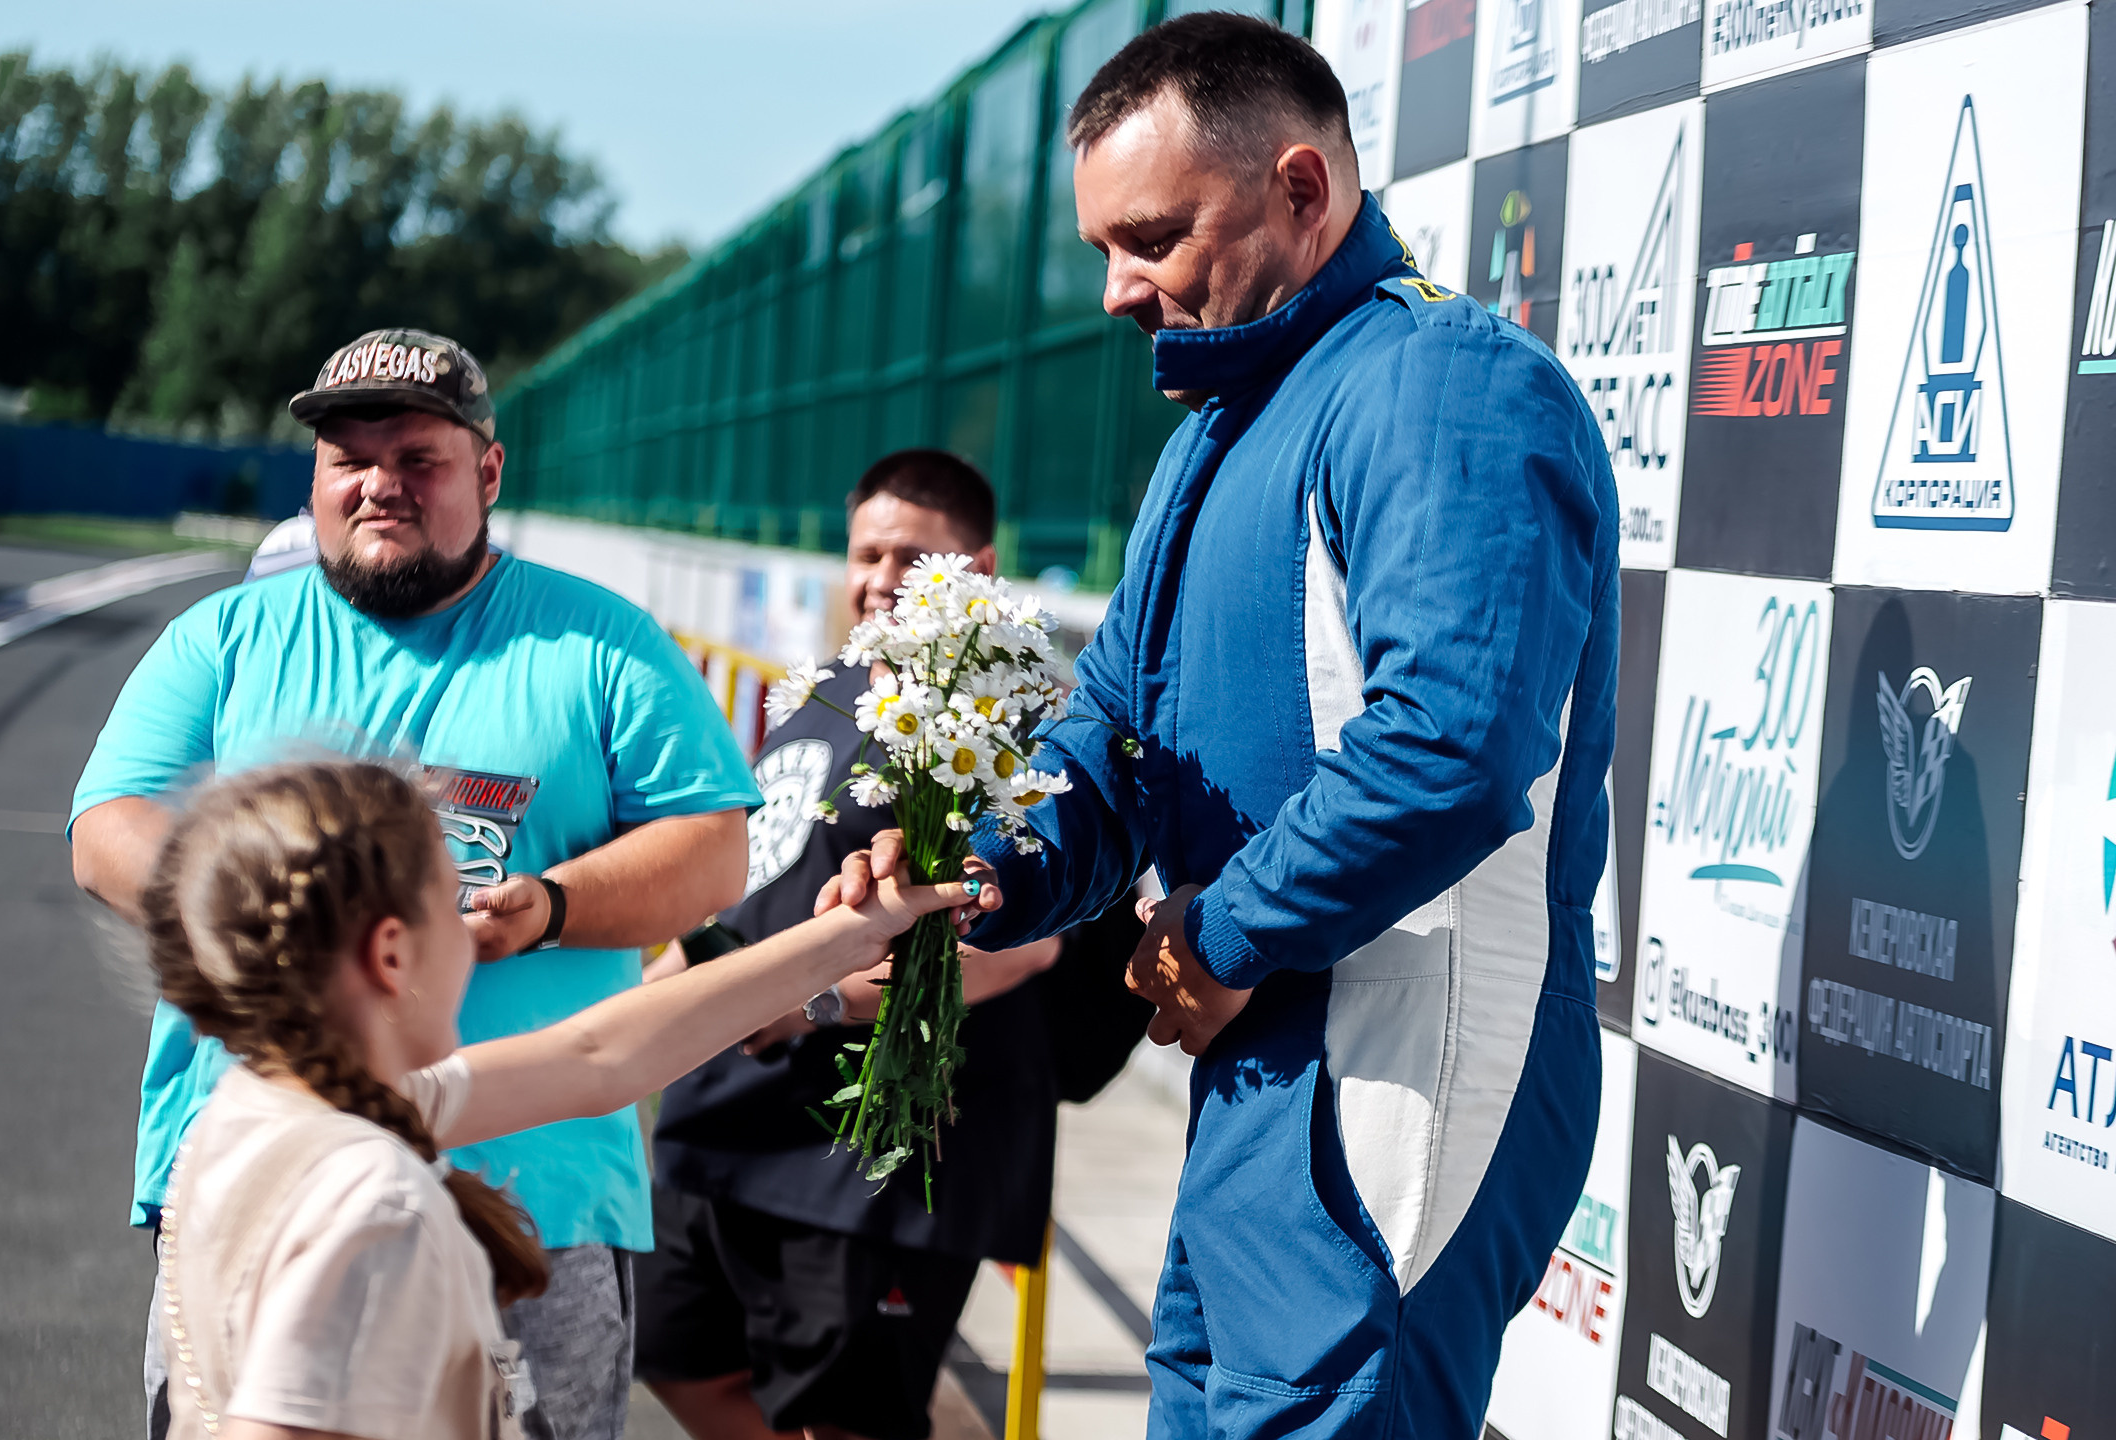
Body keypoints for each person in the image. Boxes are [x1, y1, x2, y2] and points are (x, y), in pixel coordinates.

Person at [837, 16, 1619, 1438]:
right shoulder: (1215, 428)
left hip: (1397, 1058)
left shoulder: (1444, 381)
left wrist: (1218, 932)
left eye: (1150, 238)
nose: (1116, 290)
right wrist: (976, 874)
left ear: (1303, 191)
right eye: (1101, 249)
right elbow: (1111, 736)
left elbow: (1452, 742)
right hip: (1257, 1058)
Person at [70, 327, 759, 1440]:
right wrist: (278, 914)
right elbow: (106, 828)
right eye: (350, 456)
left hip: (541, 1202)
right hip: (267, 1164)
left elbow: (712, 851)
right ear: (315, 476)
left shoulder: (604, 646)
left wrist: (556, 907)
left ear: (487, 472)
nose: (380, 484)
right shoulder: (226, 638)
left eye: (418, 459)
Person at [144, 761, 997, 1440]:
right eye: (457, 900)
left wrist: (844, 936)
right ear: (392, 954)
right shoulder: (373, 1198)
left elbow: (599, 1055)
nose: (475, 927)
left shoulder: (268, 1113)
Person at [634, 449, 1151, 1440]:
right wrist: (647, 1003)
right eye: (865, 552)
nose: (878, 578)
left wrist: (810, 1004)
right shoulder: (825, 693)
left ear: (978, 569)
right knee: (668, 1348)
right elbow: (761, 888)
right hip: (726, 1128)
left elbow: (1020, 944)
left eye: (913, 559)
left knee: (847, 1417)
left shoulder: (1011, 730)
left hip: (880, 1160)